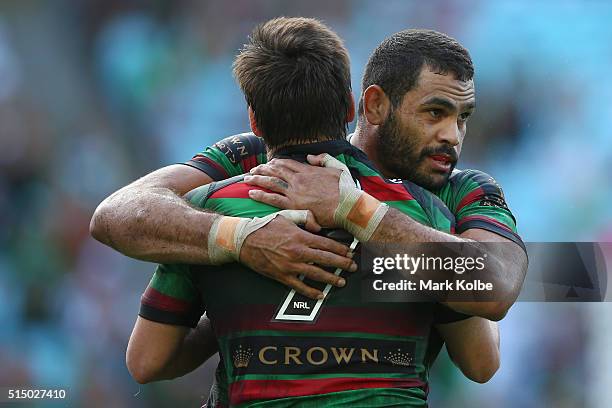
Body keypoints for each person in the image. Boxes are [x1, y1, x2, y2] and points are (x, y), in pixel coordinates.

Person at [126, 17, 500, 407]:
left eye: (461, 118)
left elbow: (147, 361)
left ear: (254, 120)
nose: (452, 135)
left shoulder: (208, 207)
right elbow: (481, 360)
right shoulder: (425, 213)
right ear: (352, 107)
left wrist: (232, 292)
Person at [90, 29, 527, 319]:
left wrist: (356, 212)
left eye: (463, 117)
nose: (453, 135)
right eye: (435, 113)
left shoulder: (465, 190)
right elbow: (115, 216)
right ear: (371, 106)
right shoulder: (259, 155)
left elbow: (499, 288)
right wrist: (241, 241)